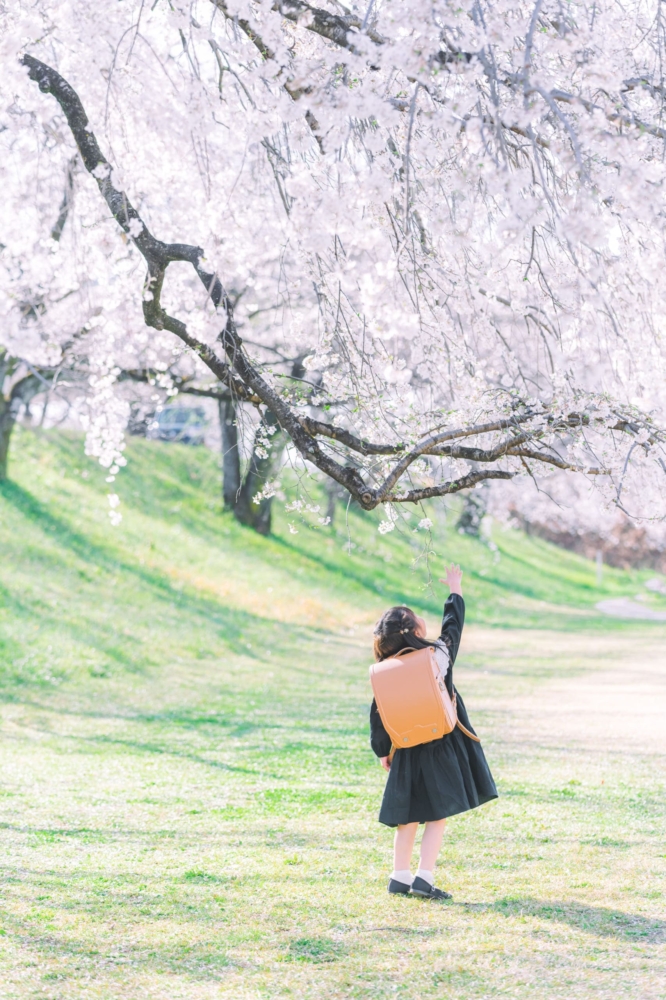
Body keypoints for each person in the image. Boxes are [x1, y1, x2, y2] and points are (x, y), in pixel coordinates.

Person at [370, 563, 497, 900]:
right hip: (440, 744)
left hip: (407, 748)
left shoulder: (385, 669)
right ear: (413, 629)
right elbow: (452, 630)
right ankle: (424, 878)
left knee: (408, 817)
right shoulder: (435, 655)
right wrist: (454, 591)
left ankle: (399, 876)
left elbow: (378, 711)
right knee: (436, 815)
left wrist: (383, 750)